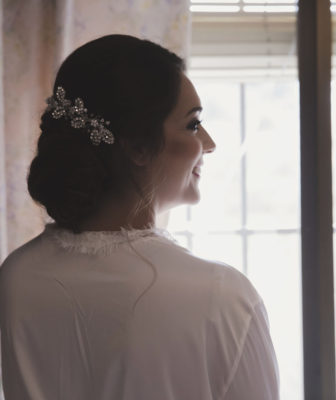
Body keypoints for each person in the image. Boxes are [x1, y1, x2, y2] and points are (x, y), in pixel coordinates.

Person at [0, 34, 279, 399]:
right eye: (193, 124)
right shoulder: (223, 297)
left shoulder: (16, 277)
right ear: (138, 147)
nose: (209, 144)